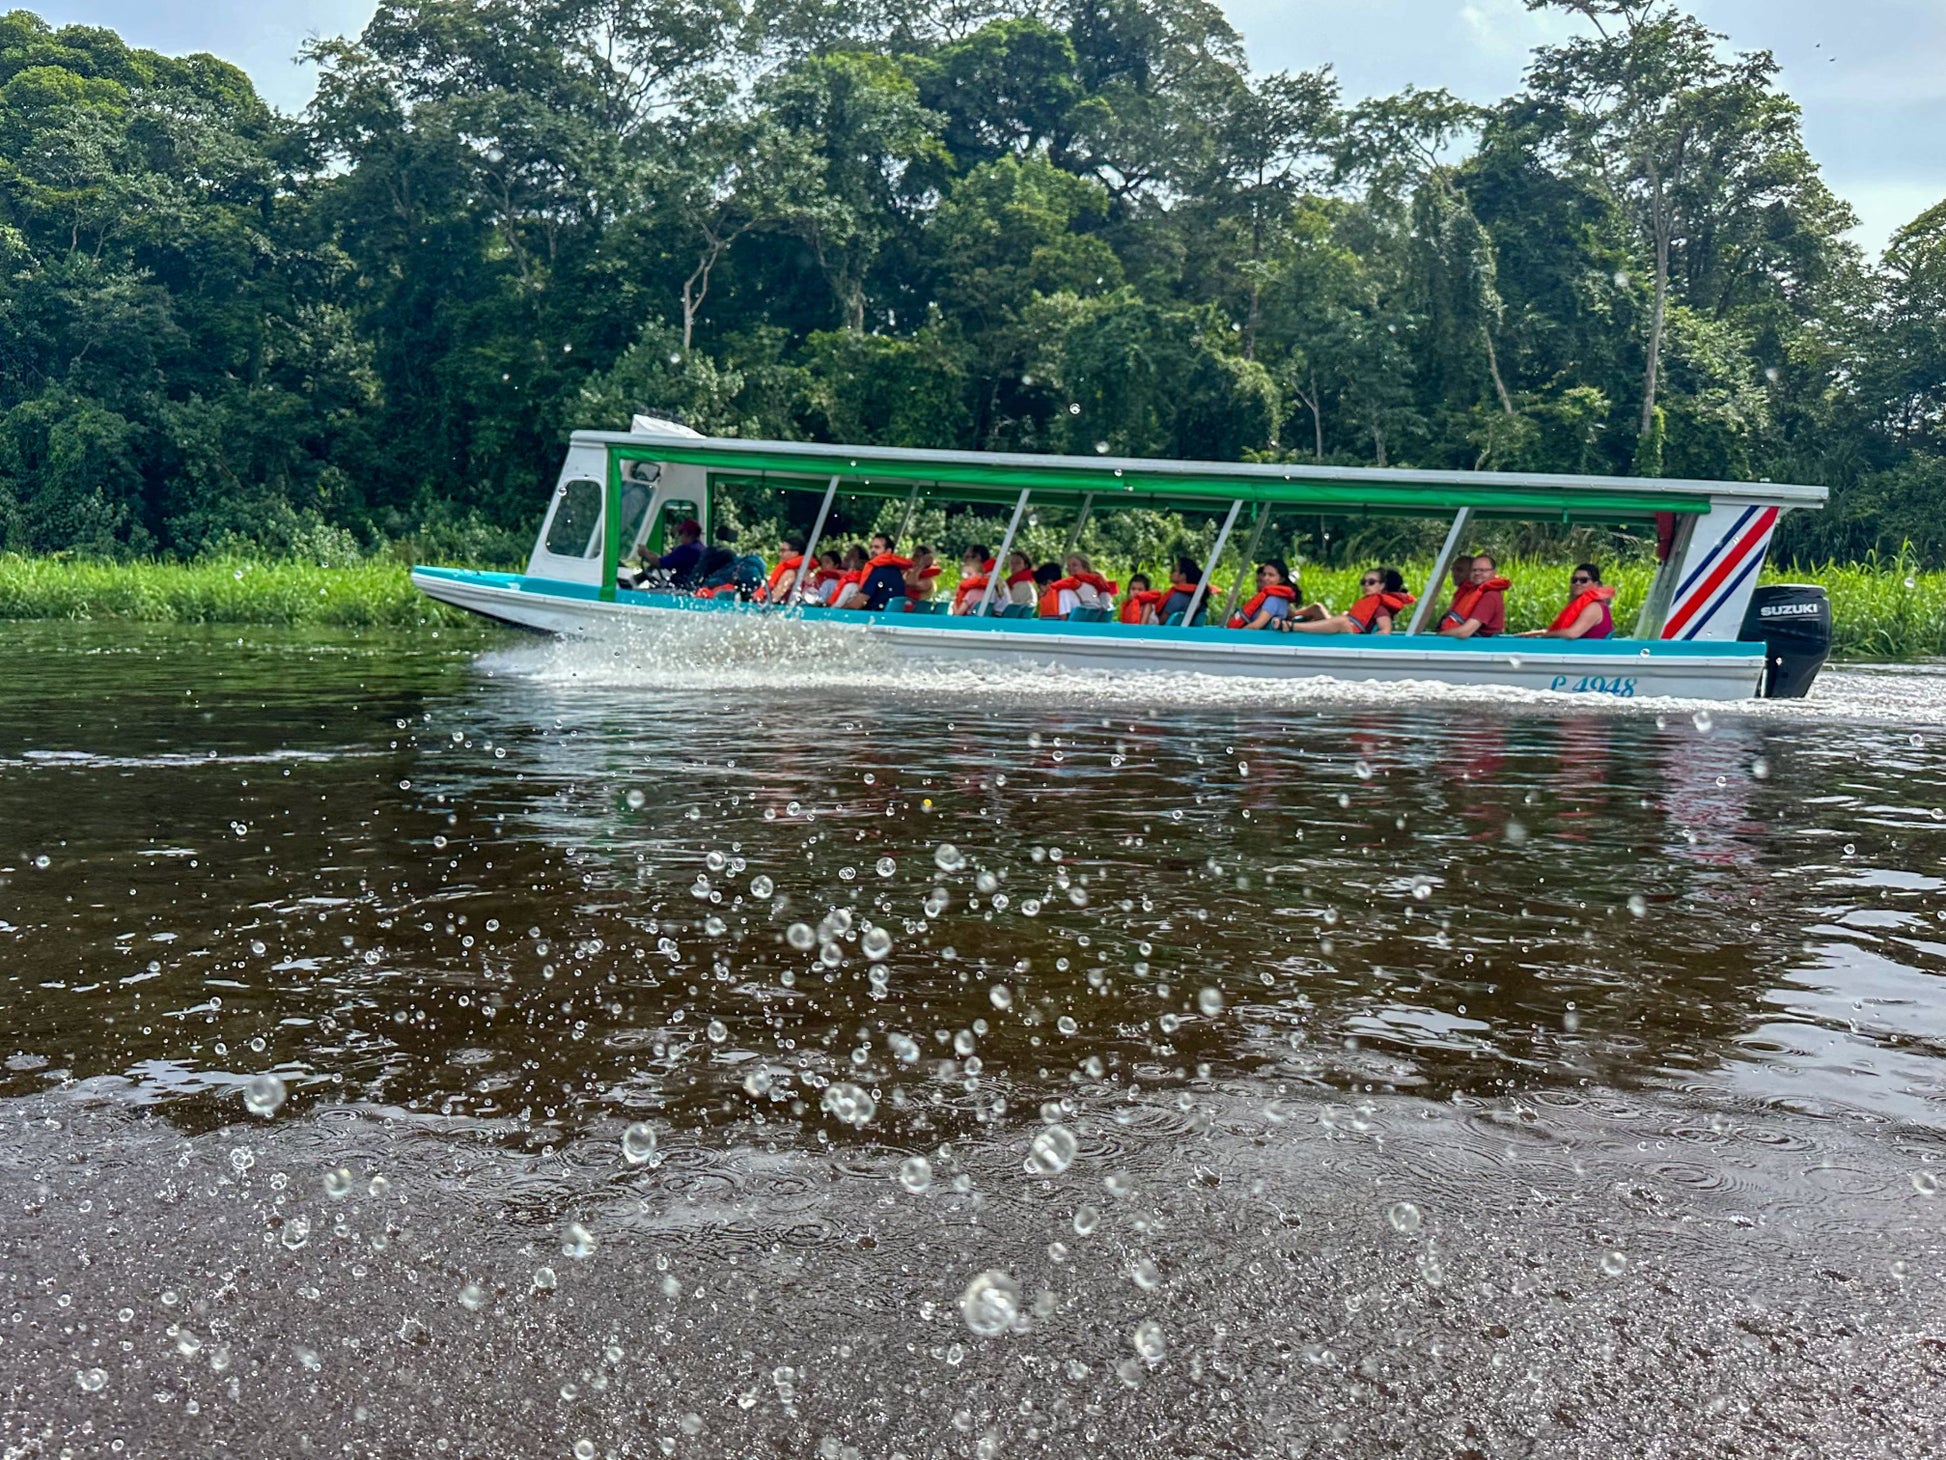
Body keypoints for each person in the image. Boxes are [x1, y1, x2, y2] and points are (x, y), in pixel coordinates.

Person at [1519, 562, 1615, 640]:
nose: (1578, 583)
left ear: (1595, 584)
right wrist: (1536, 633)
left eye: (1584, 580)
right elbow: (1564, 631)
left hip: (1589, 655)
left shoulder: (1594, 607)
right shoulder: (1587, 604)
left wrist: (1545, 635)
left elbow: (1572, 633)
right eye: (1574, 580)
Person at [1438, 553, 1510, 638]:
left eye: (1483, 570)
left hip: (1484, 647)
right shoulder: (1472, 592)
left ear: (1493, 573)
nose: (1477, 573)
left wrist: (1439, 635)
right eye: (1474, 570)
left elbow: (1465, 632)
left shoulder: (1490, 596)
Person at [1341, 567, 1415, 635]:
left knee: (1341, 622)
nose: (1366, 585)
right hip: (1354, 633)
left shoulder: (1380, 609)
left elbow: (1385, 631)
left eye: (1371, 582)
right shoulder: (1373, 604)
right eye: (1363, 582)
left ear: (1382, 586)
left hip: (1360, 639)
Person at [1228, 560, 1300, 629]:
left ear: (1281, 579)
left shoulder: (1273, 599)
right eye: (1264, 574)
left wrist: (1234, 635)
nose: (1265, 578)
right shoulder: (1280, 598)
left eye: (1271, 575)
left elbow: (1256, 626)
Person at [759, 536, 808, 603]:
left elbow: (775, 598)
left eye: (783, 551)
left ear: (795, 553)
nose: (780, 554)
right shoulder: (806, 572)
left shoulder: (790, 573)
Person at [951, 545, 996, 614]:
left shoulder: (971, 594)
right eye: (964, 575)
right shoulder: (986, 591)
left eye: (969, 574)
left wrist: (954, 601)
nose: (966, 578)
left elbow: (957, 614)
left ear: (979, 575)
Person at [1158, 557, 1203, 622]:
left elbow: (1161, 622)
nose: (1171, 573)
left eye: (1174, 570)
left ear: (1183, 576)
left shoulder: (1178, 599)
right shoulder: (1197, 598)